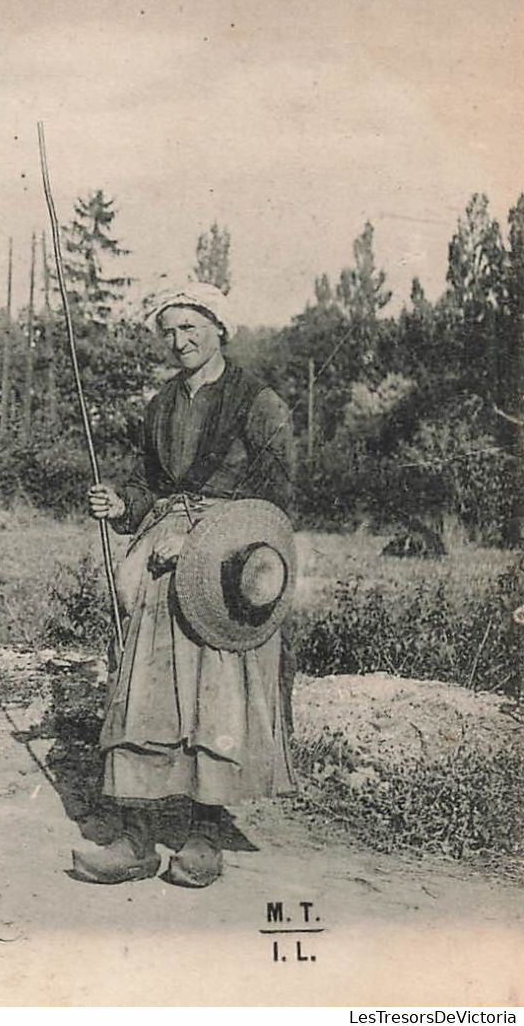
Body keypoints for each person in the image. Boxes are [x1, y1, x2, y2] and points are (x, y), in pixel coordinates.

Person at [75, 281, 297, 888]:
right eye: (168, 330)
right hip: (161, 564)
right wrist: (121, 502)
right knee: (143, 693)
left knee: (214, 702)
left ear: (219, 326)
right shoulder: (161, 405)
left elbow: (276, 503)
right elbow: (151, 487)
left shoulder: (260, 404)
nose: (179, 340)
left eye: (190, 325)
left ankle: (204, 835)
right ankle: (136, 839)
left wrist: (203, 541)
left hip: (228, 571)